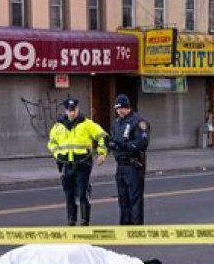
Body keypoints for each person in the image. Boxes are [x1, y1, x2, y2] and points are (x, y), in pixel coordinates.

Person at [47, 97, 107, 226]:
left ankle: (84, 221)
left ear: (78, 109)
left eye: (74, 110)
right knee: (69, 195)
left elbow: (102, 136)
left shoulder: (86, 124)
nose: (72, 113)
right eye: (70, 110)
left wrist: (102, 153)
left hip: (83, 164)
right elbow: (51, 143)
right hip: (66, 165)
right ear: (66, 111)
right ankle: (71, 220)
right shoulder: (58, 126)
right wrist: (58, 154)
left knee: (82, 193)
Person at [108, 94, 150, 225]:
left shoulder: (138, 122)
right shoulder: (116, 123)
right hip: (121, 165)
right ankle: (125, 226)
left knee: (134, 198)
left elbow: (142, 142)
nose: (119, 111)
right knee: (123, 198)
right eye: (117, 109)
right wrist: (112, 145)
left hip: (134, 165)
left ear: (128, 107)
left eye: (122, 108)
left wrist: (124, 146)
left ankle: (136, 227)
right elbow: (113, 140)